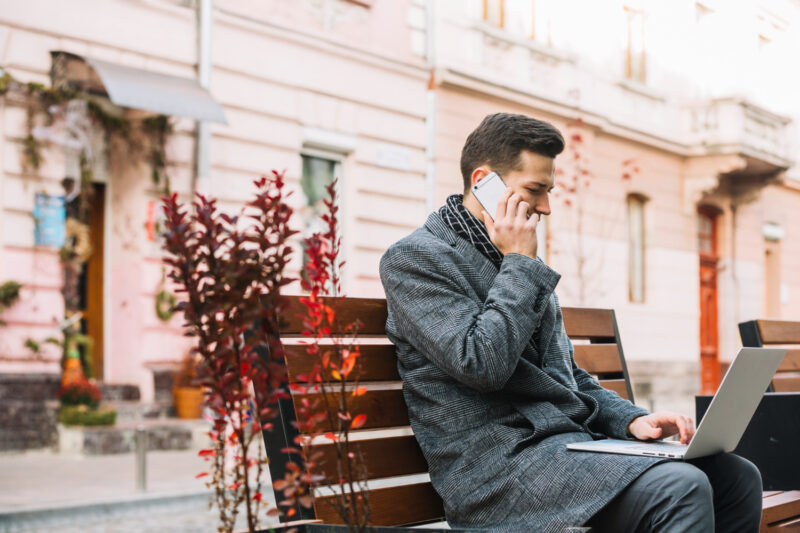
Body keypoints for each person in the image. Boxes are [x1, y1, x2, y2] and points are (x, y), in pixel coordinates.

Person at [378, 113, 762, 532]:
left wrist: (630, 419)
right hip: (497, 470)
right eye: (534, 190)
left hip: (564, 450)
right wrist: (521, 263)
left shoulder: (514, 261)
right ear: (483, 181)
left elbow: (568, 375)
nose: (544, 206)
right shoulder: (417, 260)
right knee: (680, 487)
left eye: (548, 191)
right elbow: (481, 365)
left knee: (737, 478)